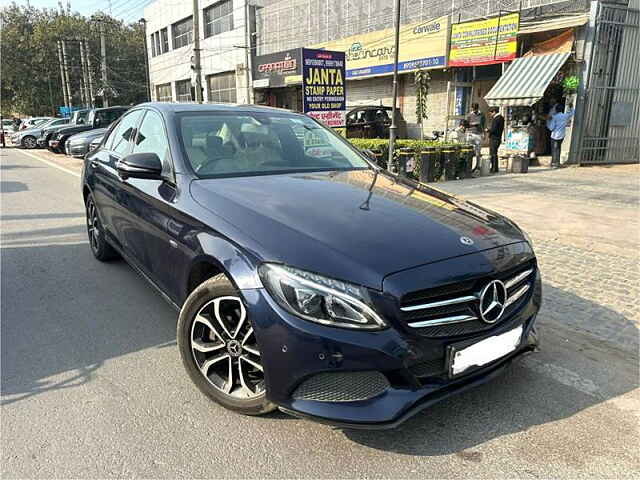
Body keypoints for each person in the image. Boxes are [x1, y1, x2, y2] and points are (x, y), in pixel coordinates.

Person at [546, 103, 574, 168]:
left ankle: (554, 163)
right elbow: (572, 113)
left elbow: (551, 128)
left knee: (554, 149)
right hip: (562, 135)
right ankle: (557, 163)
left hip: (555, 136)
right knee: (558, 148)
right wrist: (571, 107)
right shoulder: (565, 116)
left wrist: (548, 124)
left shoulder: (554, 117)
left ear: (556, 110)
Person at [486, 107, 504, 173]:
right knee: (494, 153)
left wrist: (488, 130)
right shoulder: (501, 118)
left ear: (494, 112)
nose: (490, 115)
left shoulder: (497, 118)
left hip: (494, 138)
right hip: (498, 138)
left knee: (493, 153)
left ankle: (494, 168)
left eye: (490, 113)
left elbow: (494, 129)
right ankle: (495, 167)